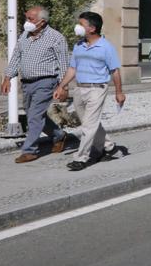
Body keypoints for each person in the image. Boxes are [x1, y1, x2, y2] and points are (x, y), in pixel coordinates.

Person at [54, 11, 126, 171]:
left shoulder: (106, 47)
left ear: (92, 28)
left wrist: (119, 92)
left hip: (97, 88)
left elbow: (115, 71)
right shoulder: (78, 45)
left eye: (81, 24)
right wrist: (62, 86)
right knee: (89, 123)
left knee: (88, 126)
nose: (77, 27)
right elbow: (73, 68)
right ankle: (110, 147)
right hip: (80, 89)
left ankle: (81, 158)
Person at [2, 6, 72, 163]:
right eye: (27, 18)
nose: (27, 22)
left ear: (42, 22)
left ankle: (30, 150)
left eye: (31, 19)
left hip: (46, 82)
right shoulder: (24, 36)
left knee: (34, 115)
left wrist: (63, 87)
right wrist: (8, 77)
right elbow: (16, 56)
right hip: (26, 83)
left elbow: (63, 63)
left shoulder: (56, 38)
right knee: (34, 115)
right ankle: (59, 135)